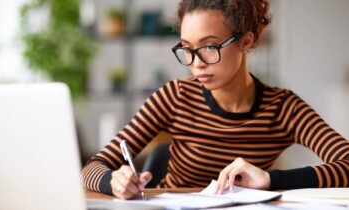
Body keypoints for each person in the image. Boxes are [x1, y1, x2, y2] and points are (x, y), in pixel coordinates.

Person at [82, 0, 349, 200]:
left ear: (245, 42)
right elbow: (91, 169)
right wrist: (114, 182)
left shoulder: (282, 108)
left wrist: (270, 179)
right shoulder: (175, 96)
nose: (196, 64)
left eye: (209, 47)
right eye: (187, 49)